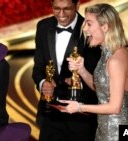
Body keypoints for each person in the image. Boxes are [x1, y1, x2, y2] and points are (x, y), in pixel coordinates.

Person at [58, 3, 128, 141]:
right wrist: (81, 70)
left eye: (89, 24)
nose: (85, 29)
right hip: (106, 130)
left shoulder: (115, 60)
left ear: (105, 27)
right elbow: (101, 90)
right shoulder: (109, 54)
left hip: (116, 133)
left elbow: (115, 107)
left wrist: (79, 107)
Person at [32, 0, 101, 140]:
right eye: (57, 8)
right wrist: (43, 83)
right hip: (50, 112)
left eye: (67, 9)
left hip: (81, 116)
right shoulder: (43, 26)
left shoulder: (90, 28)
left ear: (77, 5)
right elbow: (38, 66)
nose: (61, 14)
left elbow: (98, 74)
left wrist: (78, 84)